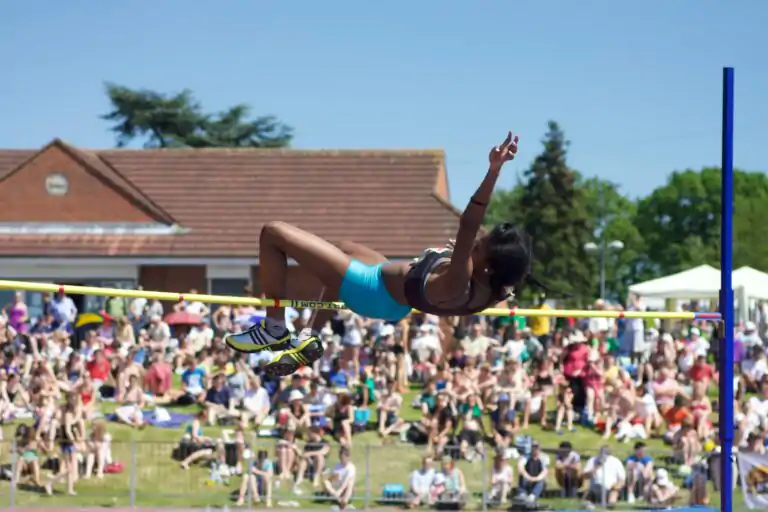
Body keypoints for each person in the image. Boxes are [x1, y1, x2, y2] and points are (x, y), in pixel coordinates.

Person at [225, 132, 535, 376]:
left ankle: (274, 328)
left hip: (371, 291)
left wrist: (493, 170)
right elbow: (505, 271)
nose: (478, 240)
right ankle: (309, 335)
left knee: (272, 232)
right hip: (391, 296)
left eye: (482, 245)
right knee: (343, 249)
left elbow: (470, 222)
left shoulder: (460, 278)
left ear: (490, 267)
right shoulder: (492, 290)